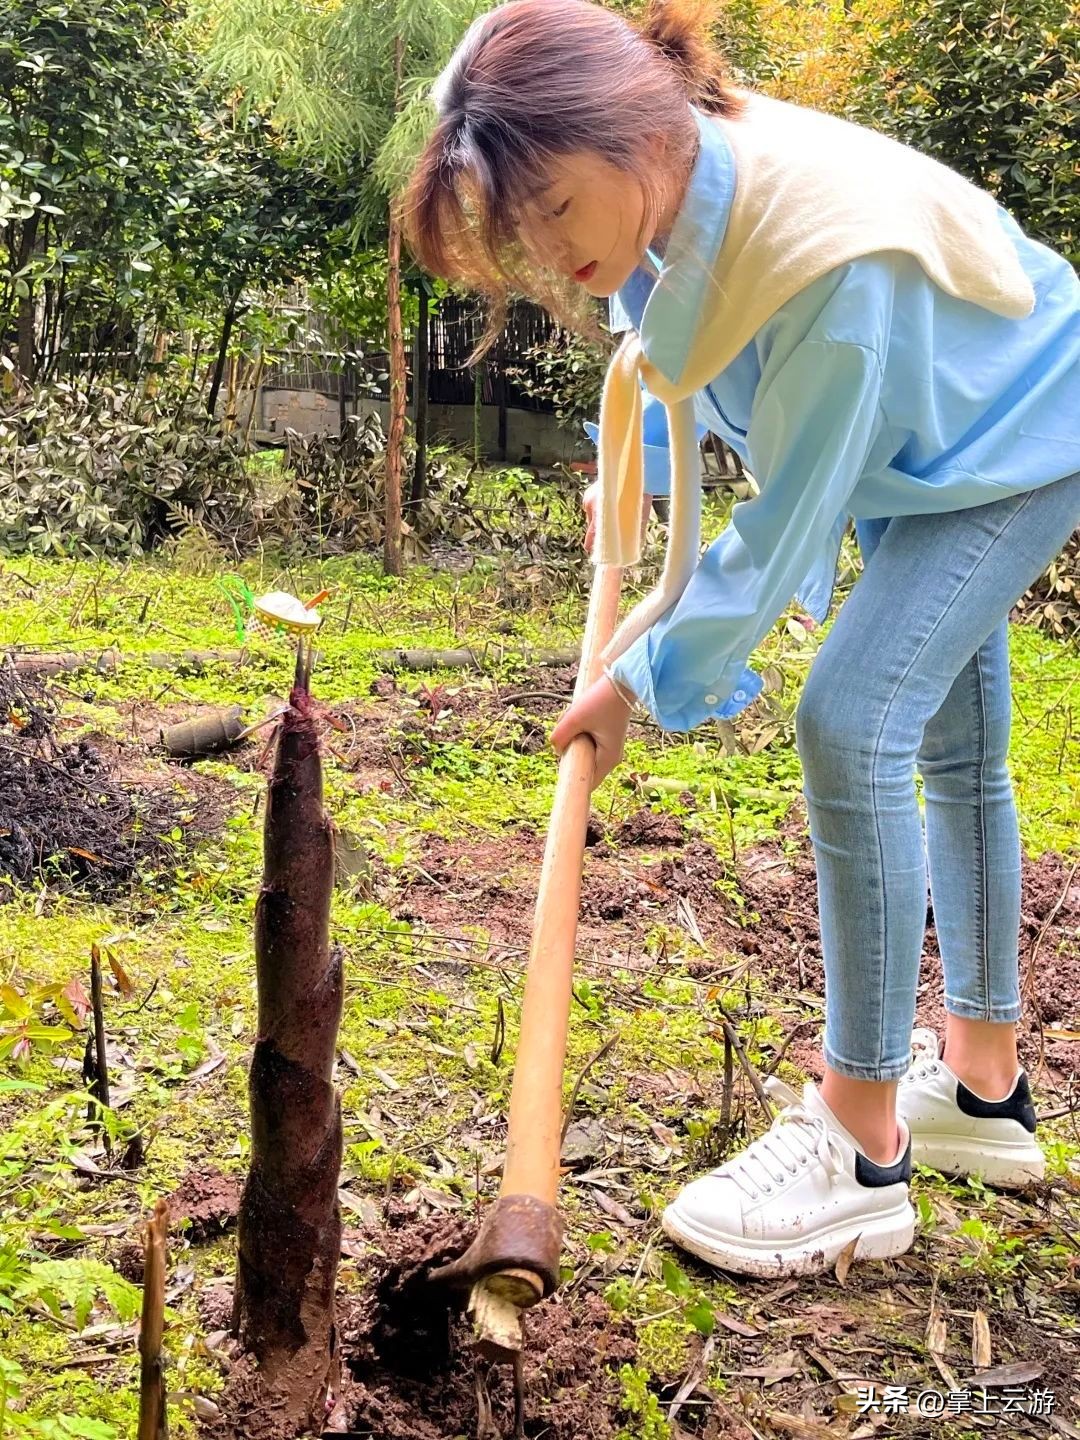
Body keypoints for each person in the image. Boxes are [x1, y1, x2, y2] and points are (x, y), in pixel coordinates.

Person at [404, 0, 1080, 1278]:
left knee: (852, 715)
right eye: (521, 228)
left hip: (1017, 426)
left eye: (554, 205)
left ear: (625, 131)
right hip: (929, 435)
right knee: (950, 739)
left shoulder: (821, 253)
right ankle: (984, 1093)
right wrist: (644, 473)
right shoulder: (672, 191)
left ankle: (861, 1141)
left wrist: (634, 680)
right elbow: (705, 368)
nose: (551, 250)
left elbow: (787, 531)